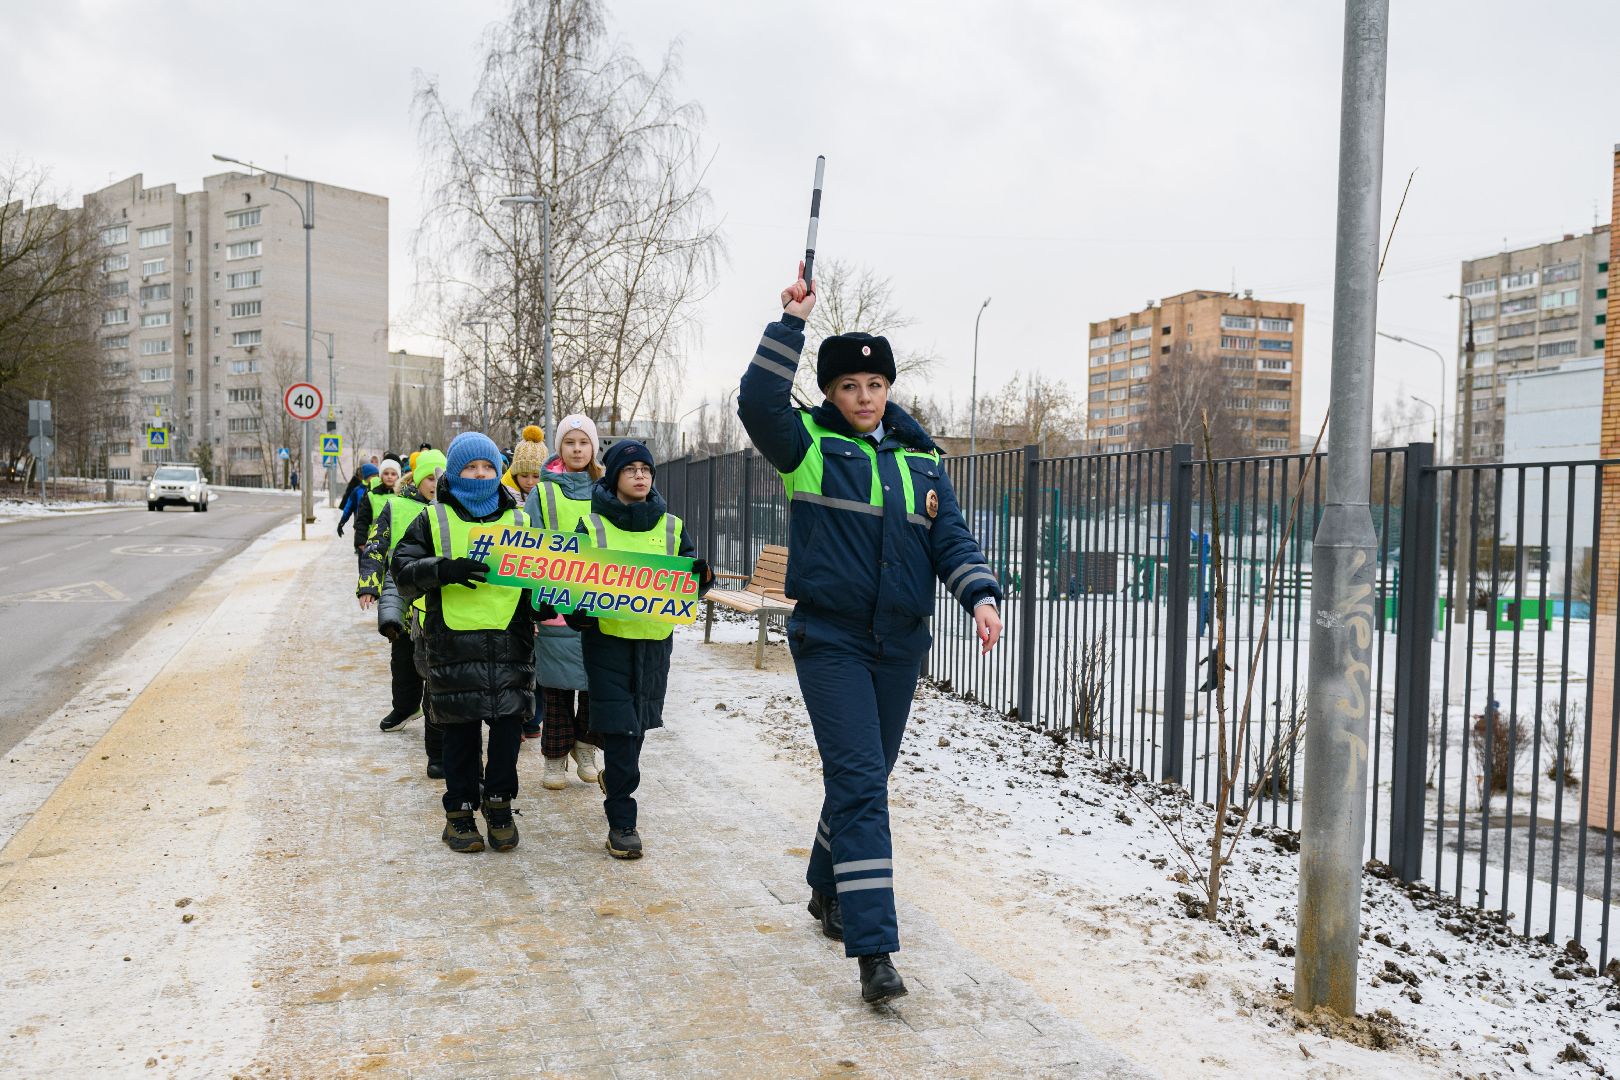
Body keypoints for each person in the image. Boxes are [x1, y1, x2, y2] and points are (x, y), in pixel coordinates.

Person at [736, 265, 1004, 1005]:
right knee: (860, 785)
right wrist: (790, 325)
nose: (863, 397)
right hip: (831, 640)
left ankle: (826, 888)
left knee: (865, 781)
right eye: (849, 387)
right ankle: (875, 951)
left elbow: (949, 538)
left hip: (899, 644)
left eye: (874, 385)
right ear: (829, 392)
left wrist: (978, 595)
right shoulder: (809, 448)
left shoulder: (921, 459)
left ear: (888, 388)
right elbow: (757, 402)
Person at [565, 439, 711, 859]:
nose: (641, 475)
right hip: (607, 639)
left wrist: (702, 576)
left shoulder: (672, 526)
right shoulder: (592, 527)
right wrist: (577, 610)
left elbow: (689, 578)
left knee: (639, 722)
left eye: (646, 469)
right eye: (631, 470)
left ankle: (618, 776)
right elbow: (569, 583)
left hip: (654, 641)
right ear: (614, 477)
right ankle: (622, 822)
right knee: (620, 725)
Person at [393, 432, 538, 854]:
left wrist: (547, 604)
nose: (480, 474)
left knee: (509, 729)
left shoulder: (521, 520)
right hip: (452, 642)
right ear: (455, 473)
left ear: (499, 471)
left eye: (488, 467)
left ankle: (499, 804)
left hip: (509, 642)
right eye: (471, 467)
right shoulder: (433, 518)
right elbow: (401, 569)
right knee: (459, 732)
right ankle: (458, 813)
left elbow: (540, 580)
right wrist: (442, 569)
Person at [524, 414, 603, 783]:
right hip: (553, 603)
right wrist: (531, 602)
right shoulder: (541, 492)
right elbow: (527, 547)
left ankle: (585, 749)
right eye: (569, 442)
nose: (576, 449)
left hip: (597, 604)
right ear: (559, 448)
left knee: (592, 685)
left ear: (593, 448)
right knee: (555, 686)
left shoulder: (605, 488)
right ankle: (554, 756)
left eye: (583, 442)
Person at [360, 450, 446, 737]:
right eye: (430, 477)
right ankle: (406, 706)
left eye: (441, 477)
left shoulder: (452, 510)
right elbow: (376, 545)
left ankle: (441, 719)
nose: (436, 483)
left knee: (437, 664)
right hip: (405, 600)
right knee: (403, 660)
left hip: (440, 604)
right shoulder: (395, 507)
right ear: (417, 478)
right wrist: (369, 586)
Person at [353, 459, 401, 557]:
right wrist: (361, 542)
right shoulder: (372, 496)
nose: (389, 476)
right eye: (386, 473)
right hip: (375, 544)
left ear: (398, 476)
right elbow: (362, 520)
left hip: (398, 545)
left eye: (393, 474)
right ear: (381, 475)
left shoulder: (402, 496)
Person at [337, 462, 379, 541]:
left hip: (377, 530)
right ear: (366, 477)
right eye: (373, 476)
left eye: (377, 476)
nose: (376, 478)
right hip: (361, 528)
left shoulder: (381, 490)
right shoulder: (357, 491)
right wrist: (342, 522)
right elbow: (348, 508)